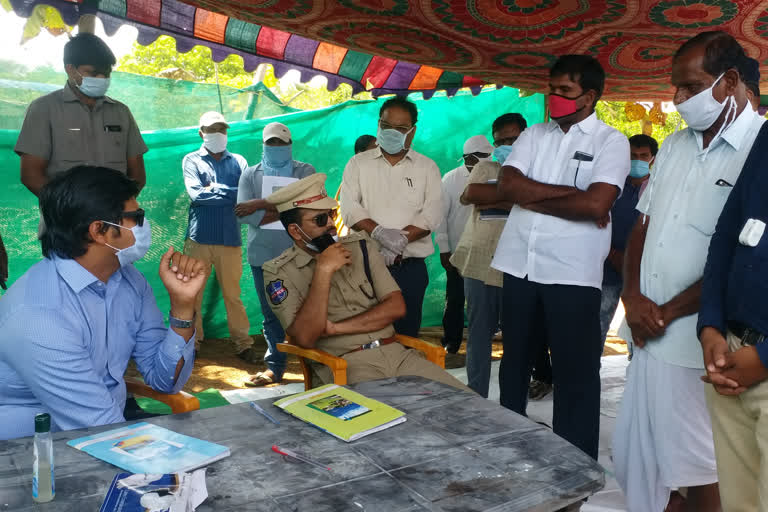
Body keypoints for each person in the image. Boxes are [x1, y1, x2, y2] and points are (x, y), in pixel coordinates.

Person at [613, 31, 764, 512]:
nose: (677, 100)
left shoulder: (757, 150)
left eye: (690, 87)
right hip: (647, 332)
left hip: (700, 337)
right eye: (675, 88)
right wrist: (632, 298)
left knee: (705, 465)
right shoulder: (675, 146)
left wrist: (669, 311)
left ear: (731, 81)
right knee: (650, 455)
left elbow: (735, 257)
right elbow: (643, 225)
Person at [491, 54, 630, 463]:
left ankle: (575, 463)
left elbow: (597, 204)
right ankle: (509, 452)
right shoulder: (533, 135)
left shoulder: (611, 141)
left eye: (564, 91)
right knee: (514, 362)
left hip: (572, 273)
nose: (554, 97)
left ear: (588, 96)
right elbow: (508, 184)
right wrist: (571, 198)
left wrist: (535, 197)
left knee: (575, 372)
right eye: (551, 89)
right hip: (519, 265)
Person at [0, 166, 206, 440]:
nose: (145, 226)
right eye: (136, 217)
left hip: (104, 432)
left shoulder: (130, 281)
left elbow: (164, 380)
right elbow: (101, 428)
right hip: (28, 453)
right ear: (99, 231)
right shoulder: (38, 315)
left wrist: (182, 306)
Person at [262, 173, 467, 390]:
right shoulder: (279, 272)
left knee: (468, 405)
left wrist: (333, 328)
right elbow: (305, 337)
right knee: (389, 419)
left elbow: (396, 307)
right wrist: (323, 270)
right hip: (346, 364)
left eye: (331, 213)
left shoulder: (360, 247)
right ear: (295, 230)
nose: (332, 224)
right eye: (320, 220)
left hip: (398, 355)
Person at [697, 120, 768, 512]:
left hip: (758, 361)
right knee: (740, 503)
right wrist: (710, 326)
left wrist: (764, 359)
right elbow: (727, 231)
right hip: (730, 355)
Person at [340, 97, 443, 337]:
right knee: (366, 336)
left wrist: (400, 242)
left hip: (409, 270)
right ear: (378, 125)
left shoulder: (427, 168)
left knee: (406, 336)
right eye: (387, 127)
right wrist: (380, 234)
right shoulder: (357, 164)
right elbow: (349, 208)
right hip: (365, 265)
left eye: (401, 129)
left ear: (412, 131)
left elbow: (432, 214)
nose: (392, 133)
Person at [15, 33, 147, 199]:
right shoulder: (44, 109)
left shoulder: (121, 112)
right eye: (93, 73)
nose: (102, 78)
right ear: (70, 69)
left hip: (114, 218)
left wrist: (120, 207)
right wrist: (71, 209)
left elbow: (138, 175)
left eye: (106, 73)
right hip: (64, 221)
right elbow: (31, 175)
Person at [451, 113, 526, 397]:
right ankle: (476, 397)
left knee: (517, 339)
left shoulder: (538, 169)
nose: (507, 144)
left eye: (513, 139)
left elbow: (535, 204)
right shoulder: (485, 167)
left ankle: (512, 402)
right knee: (480, 336)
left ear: (526, 138)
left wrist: (496, 197)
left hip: (519, 265)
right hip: (480, 262)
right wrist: (517, 199)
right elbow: (470, 195)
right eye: (501, 141)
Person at [236, 122, 316, 385]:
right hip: (264, 257)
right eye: (271, 143)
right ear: (263, 144)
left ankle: (315, 365)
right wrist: (288, 209)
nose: (276, 147)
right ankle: (275, 367)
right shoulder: (250, 174)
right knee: (271, 313)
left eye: (281, 143)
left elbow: (310, 209)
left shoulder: (306, 171)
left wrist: (261, 206)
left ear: (290, 144)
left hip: (302, 255)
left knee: (309, 309)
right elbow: (245, 214)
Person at [182, 112, 252, 359]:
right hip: (199, 238)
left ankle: (243, 343)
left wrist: (215, 189)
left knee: (233, 295)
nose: (218, 134)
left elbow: (245, 196)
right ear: (201, 133)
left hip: (230, 239)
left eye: (222, 129)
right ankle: (193, 344)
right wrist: (229, 193)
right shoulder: (191, 160)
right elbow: (197, 196)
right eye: (212, 130)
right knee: (194, 295)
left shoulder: (239, 161)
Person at [436, 135, 493, 354]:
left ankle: (483, 340)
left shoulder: (496, 175)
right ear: (471, 158)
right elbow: (440, 217)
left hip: (487, 250)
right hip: (459, 251)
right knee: (456, 298)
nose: (489, 159)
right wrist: (444, 249)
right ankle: (452, 342)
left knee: (486, 299)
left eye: (489, 156)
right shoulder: (450, 179)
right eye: (484, 156)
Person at [599, 134, 657, 349]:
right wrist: (613, 254)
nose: (638, 160)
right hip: (608, 267)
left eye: (644, 156)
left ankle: (637, 376)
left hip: (643, 271)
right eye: (632, 155)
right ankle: (589, 377)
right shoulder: (611, 186)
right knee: (598, 325)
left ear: (653, 159)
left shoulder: (659, 188)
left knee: (641, 330)